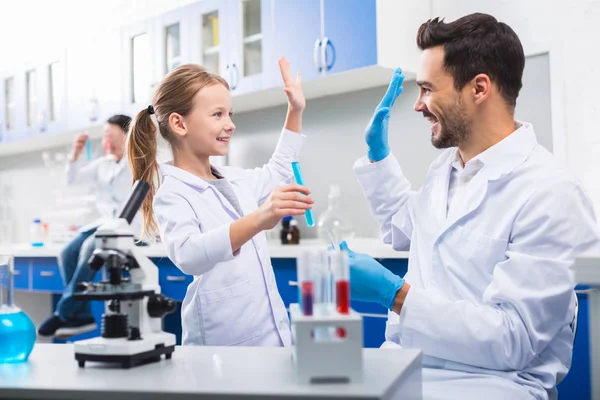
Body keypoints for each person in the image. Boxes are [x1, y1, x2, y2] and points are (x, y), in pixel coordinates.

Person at [344, 13, 600, 400]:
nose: (418, 106)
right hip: (406, 367)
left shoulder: (551, 193)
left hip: (492, 386)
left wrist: (393, 294)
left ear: (479, 88)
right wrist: (378, 156)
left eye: (428, 89)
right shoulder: (448, 169)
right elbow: (408, 231)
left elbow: (513, 340)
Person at [127, 58, 312, 347]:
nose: (231, 124)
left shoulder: (235, 179)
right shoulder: (173, 193)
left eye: (230, 114)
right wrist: (258, 219)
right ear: (179, 123)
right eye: (218, 115)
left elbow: (279, 169)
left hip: (270, 336)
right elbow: (189, 254)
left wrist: (295, 110)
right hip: (221, 347)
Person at [38, 115, 141, 339]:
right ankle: (82, 314)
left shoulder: (138, 161)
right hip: (104, 223)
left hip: (128, 228)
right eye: (105, 137)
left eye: (112, 137)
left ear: (128, 137)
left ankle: (64, 313)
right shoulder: (103, 164)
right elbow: (73, 180)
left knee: (88, 248)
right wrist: (76, 151)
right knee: (67, 252)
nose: (107, 142)